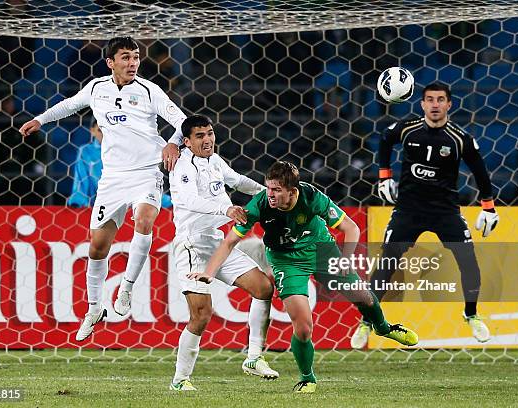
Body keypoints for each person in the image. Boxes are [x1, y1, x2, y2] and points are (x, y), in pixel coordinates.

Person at [189, 161, 418, 393]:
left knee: (364, 298)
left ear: (292, 190)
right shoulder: (259, 204)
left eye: (277, 190)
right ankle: (307, 378)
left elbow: (351, 228)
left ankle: (383, 327)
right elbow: (229, 241)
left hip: (321, 250)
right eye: (268, 188)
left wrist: (345, 259)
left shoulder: (311, 196)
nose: (270, 194)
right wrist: (209, 273)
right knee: (303, 327)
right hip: (286, 261)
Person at [19, 36, 187, 341]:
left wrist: (173, 144)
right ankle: (94, 308)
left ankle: (126, 288)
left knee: (146, 218)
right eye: (125, 57)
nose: (132, 63)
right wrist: (40, 119)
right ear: (110, 62)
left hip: (147, 172)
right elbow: (70, 105)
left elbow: (182, 120)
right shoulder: (97, 88)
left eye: (135, 57)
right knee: (97, 247)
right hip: (112, 178)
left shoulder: (150, 91)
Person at [351, 82, 499, 348]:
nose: (434, 105)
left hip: (445, 210)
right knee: (388, 262)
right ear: (421, 104)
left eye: (440, 99)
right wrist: (384, 176)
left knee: (468, 259)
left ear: (449, 104)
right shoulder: (408, 129)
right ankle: (366, 320)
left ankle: (472, 314)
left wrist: (488, 206)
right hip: (409, 208)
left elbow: (480, 171)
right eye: (429, 99)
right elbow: (385, 139)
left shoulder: (459, 138)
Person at [168, 115, 278, 391]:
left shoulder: (214, 161)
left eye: (210, 133)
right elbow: (188, 200)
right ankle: (180, 380)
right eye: (199, 136)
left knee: (264, 288)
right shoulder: (182, 166)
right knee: (201, 315)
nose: (207, 140)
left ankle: (253, 357)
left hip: (218, 243)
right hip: (192, 244)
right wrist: (226, 209)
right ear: (186, 142)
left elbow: (238, 181)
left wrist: (269, 194)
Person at [67, 119, 173, 209]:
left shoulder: (126, 148)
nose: (105, 135)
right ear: (92, 131)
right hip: (98, 203)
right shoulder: (86, 152)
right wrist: (79, 201)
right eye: (100, 130)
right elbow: (81, 179)